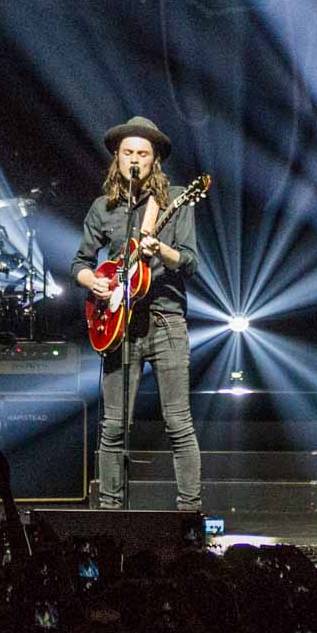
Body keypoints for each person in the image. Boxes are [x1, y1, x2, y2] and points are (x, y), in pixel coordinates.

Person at [70, 116, 203, 512]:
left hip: (166, 322)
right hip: (119, 326)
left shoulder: (176, 199)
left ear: (154, 159)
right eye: (128, 152)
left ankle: (189, 512)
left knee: (178, 422)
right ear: (117, 157)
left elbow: (190, 262)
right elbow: (79, 262)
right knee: (113, 426)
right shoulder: (104, 207)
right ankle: (110, 511)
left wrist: (161, 250)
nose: (135, 159)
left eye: (142, 153)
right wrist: (93, 282)